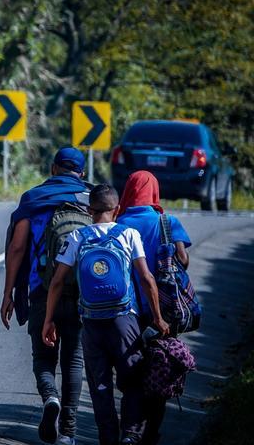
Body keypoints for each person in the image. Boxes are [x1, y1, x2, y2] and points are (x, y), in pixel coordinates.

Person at [42, 184, 170, 445]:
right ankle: (131, 436)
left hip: (91, 322)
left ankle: (108, 439)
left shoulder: (78, 237)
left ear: (90, 210)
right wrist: (157, 317)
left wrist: (48, 320)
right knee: (132, 380)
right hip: (125, 320)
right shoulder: (129, 234)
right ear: (118, 210)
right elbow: (146, 278)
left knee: (100, 387)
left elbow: (56, 281)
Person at [0, 147, 92, 445]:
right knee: (74, 361)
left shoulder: (34, 199)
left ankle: (50, 396)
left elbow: (16, 248)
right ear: (81, 172)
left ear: (53, 169)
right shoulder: (91, 199)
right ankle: (68, 431)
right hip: (82, 291)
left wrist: (9, 293)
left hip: (42, 287)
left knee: (43, 358)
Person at [116, 171, 191, 445]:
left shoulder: (118, 222)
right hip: (163, 312)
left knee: (132, 373)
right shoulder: (167, 222)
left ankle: (129, 433)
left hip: (127, 313)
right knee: (160, 370)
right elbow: (182, 259)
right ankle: (151, 435)